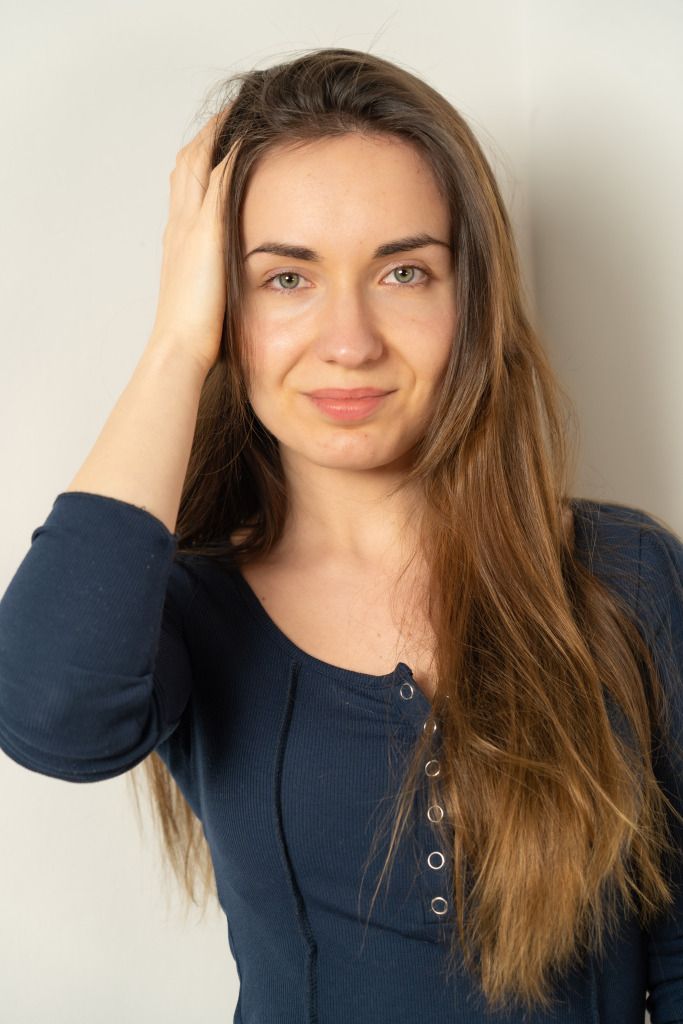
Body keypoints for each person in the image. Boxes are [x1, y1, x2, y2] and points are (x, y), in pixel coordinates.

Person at [0, 47, 682, 1024]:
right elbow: (50, 716)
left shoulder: (626, 576)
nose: (350, 341)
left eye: (403, 271)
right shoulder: (186, 609)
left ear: (469, 298)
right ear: (223, 304)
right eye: (286, 279)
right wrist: (176, 346)